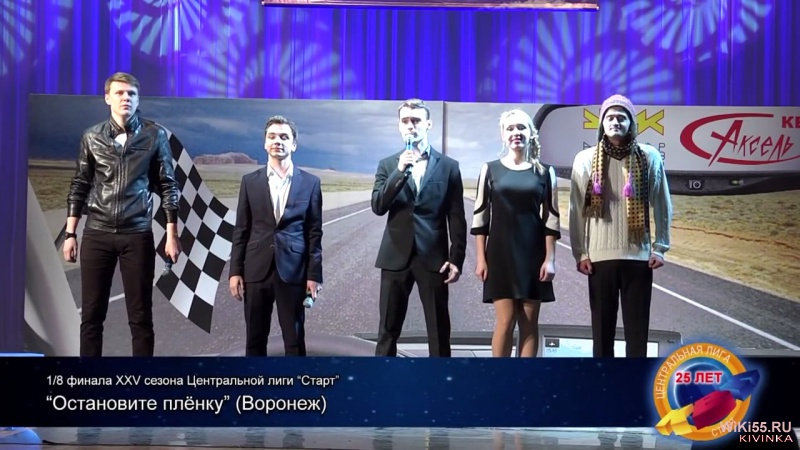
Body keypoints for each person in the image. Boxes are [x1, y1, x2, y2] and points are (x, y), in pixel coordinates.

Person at [63, 72, 181, 357]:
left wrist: (171, 234)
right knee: (91, 316)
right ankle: (90, 379)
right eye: (119, 93)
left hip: (137, 234)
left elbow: (168, 185)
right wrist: (70, 234)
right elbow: (80, 185)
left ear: (138, 100)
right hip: (97, 233)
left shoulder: (154, 135)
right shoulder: (91, 137)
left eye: (131, 94)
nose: (125, 98)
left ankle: (141, 379)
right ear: (107, 98)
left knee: (140, 317)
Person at [568, 94, 673, 358]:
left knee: (637, 336)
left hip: (638, 258)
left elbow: (662, 204)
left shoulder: (649, 157)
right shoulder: (585, 159)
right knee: (602, 336)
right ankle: (604, 380)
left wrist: (660, 247)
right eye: (610, 117)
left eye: (621, 117)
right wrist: (580, 253)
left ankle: (633, 380)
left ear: (631, 123)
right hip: (599, 259)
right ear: (602, 123)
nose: (615, 122)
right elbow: (576, 210)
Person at [371, 98, 467, 357]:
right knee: (387, 331)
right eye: (405, 121)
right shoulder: (388, 165)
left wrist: (456, 258)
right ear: (399, 126)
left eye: (416, 120)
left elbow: (456, 217)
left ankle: (440, 380)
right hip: (395, 257)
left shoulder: (449, 167)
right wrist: (400, 170)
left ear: (428, 124)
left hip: (434, 259)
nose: (410, 126)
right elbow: (378, 206)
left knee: (438, 331)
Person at [229, 115, 323, 357]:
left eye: (284, 137)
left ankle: (295, 382)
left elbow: (314, 233)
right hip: (256, 271)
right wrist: (235, 271)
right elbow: (241, 230)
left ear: (294, 144)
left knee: (294, 340)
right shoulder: (249, 182)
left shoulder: (311, 183)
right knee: (254, 340)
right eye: (272, 136)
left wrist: (314, 275)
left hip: (293, 272)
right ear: (265, 143)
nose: (277, 141)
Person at [471, 109, 560, 358]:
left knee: (529, 323)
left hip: (533, 255)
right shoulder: (489, 169)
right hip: (500, 255)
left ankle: (525, 377)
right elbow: (480, 218)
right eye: (510, 129)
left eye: (521, 127)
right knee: (505, 320)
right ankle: (500, 377)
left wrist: (550, 259)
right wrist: (481, 259)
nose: (516, 133)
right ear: (503, 135)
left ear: (531, 133)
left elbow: (551, 218)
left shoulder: (545, 172)